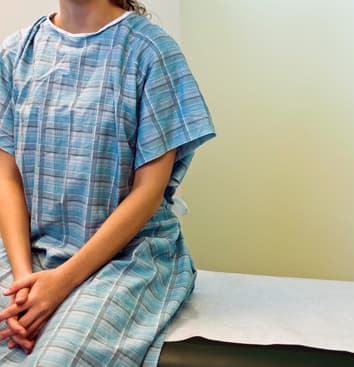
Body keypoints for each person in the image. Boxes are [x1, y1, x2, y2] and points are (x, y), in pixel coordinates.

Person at [0, 0, 215, 365]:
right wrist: (24, 284)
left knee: (56, 359)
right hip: (29, 251)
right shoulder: (16, 53)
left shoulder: (150, 53)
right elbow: (7, 177)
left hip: (126, 257)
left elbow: (148, 192)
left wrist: (61, 282)